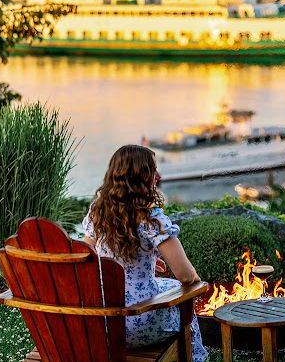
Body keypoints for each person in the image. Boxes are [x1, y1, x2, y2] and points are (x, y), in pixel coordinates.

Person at [82, 145, 207, 361]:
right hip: (139, 323)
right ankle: (193, 357)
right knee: (186, 295)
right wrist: (198, 283)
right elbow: (186, 275)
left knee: (166, 285)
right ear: (142, 177)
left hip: (103, 323)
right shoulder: (151, 220)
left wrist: (145, 262)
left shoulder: (98, 212)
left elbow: (86, 255)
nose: (158, 176)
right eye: (153, 170)